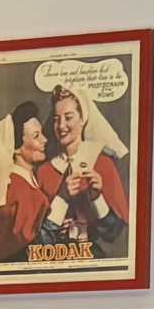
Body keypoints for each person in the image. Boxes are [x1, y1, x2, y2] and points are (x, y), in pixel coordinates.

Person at [47, 81, 131, 258]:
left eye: (68, 117)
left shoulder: (103, 165)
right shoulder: (44, 171)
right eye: (56, 119)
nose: (61, 126)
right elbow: (36, 237)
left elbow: (114, 234)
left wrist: (97, 197)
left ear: (82, 119)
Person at [0, 109, 55, 266]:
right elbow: (26, 243)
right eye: (36, 136)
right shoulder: (16, 187)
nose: (45, 140)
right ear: (16, 148)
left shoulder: (30, 181)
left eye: (42, 134)